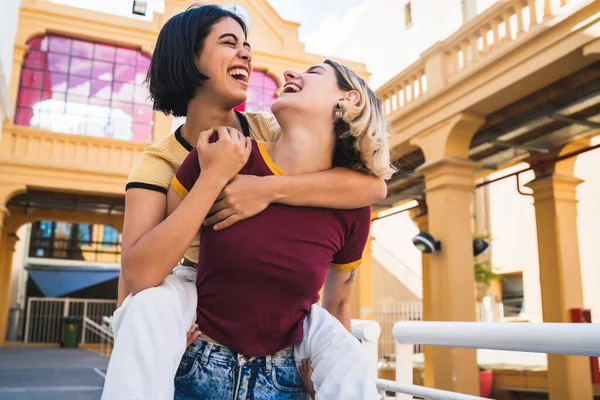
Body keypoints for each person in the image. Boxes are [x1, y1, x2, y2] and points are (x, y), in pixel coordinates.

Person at [102, 5, 387, 400]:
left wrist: (263, 190)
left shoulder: (271, 128)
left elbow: (370, 190)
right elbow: (139, 276)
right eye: (229, 43)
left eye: (247, 45)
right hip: (192, 288)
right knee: (150, 307)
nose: (246, 54)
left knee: (344, 359)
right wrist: (215, 176)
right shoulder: (160, 162)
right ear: (190, 57)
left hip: (276, 318)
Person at [169, 59, 393, 399]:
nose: (289, 74)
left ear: (349, 100)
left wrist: (327, 377)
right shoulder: (224, 155)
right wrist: (162, 339)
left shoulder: (353, 208)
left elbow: (339, 305)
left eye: (313, 73)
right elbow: (163, 261)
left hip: (286, 382)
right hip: (193, 368)